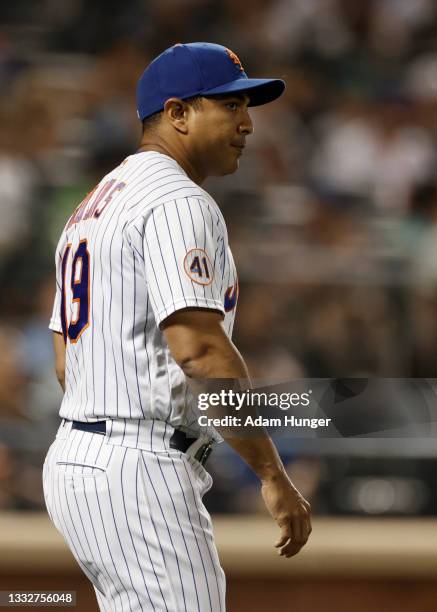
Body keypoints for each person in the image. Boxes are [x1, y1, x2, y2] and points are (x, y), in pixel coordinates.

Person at [43, 42, 311, 612]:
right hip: (138, 464)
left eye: (247, 107)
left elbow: (66, 360)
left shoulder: (93, 202)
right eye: (230, 105)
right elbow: (201, 353)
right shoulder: (177, 200)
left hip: (81, 458)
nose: (247, 123)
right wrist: (272, 474)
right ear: (178, 113)